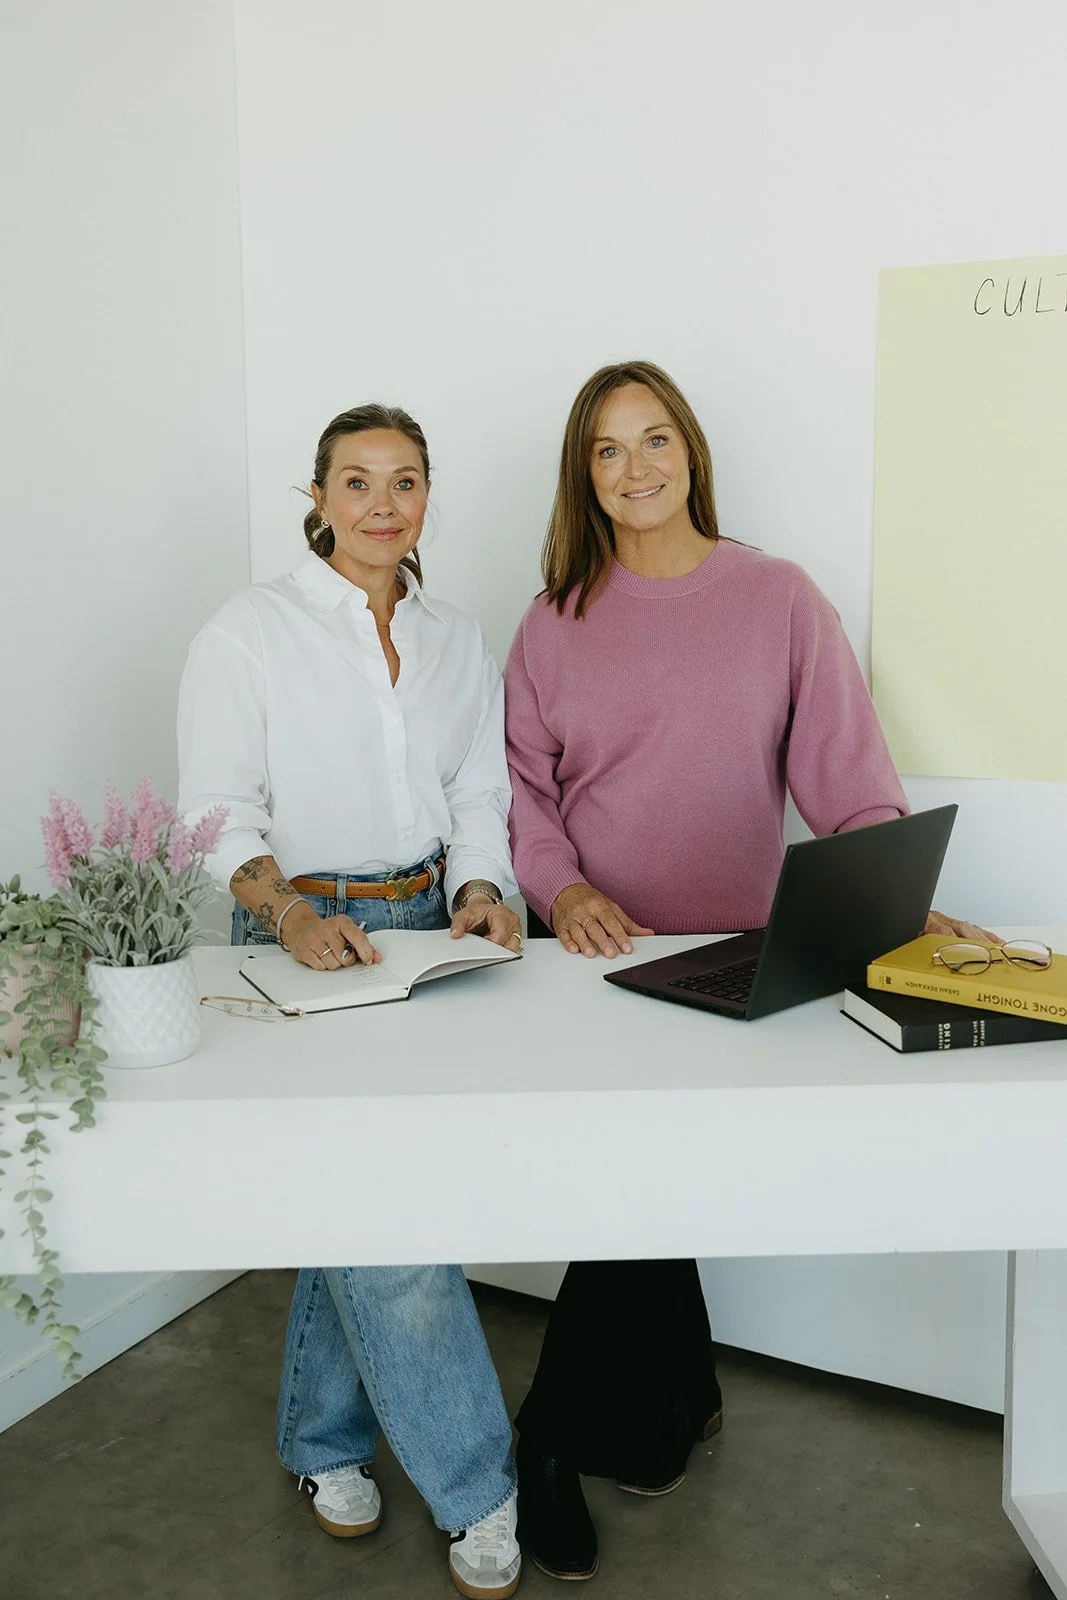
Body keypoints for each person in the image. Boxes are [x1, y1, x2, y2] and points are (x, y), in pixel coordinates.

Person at [503, 359, 991, 1582]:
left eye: (654, 439)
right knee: (629, 1199)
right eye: (607, 451)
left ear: (691, 451)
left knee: (649, 1195)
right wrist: (561, 889)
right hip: (594, 963)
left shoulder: (774, 597)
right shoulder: (551, 618)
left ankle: (586, 1425)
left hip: (732, 958)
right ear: (585, 475)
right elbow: (519, 793)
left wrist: (912, 907)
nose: (635, 468)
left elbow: (847, 782)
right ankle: (593, 1428)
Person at [178, 403, 524, 1600]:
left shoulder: (453, 639)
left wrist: (482, 886)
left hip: (426, 926)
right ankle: (478, 1484)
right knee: (397, 1224)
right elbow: (212, 813)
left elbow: (478, 787)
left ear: (427, 497)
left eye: (407, 480)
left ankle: (322, 1446)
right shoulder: (248, 631)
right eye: (357, 480)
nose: (383, 503)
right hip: (302, 932)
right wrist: (285, 917)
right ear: (315, 498)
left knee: (365, 1196)